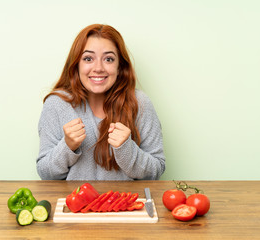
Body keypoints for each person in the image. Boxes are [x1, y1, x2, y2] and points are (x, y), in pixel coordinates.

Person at [36, 24, 165, 180]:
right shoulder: (56, 104)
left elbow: (156, 170)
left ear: (120, 67)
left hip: (124, 203)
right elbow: (45, 173)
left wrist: (127, 149)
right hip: (75, 203)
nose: (98, 68)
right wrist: (67, 146)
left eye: (108, 59)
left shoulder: (140, 103)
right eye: (88, 59)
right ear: (76, 64)